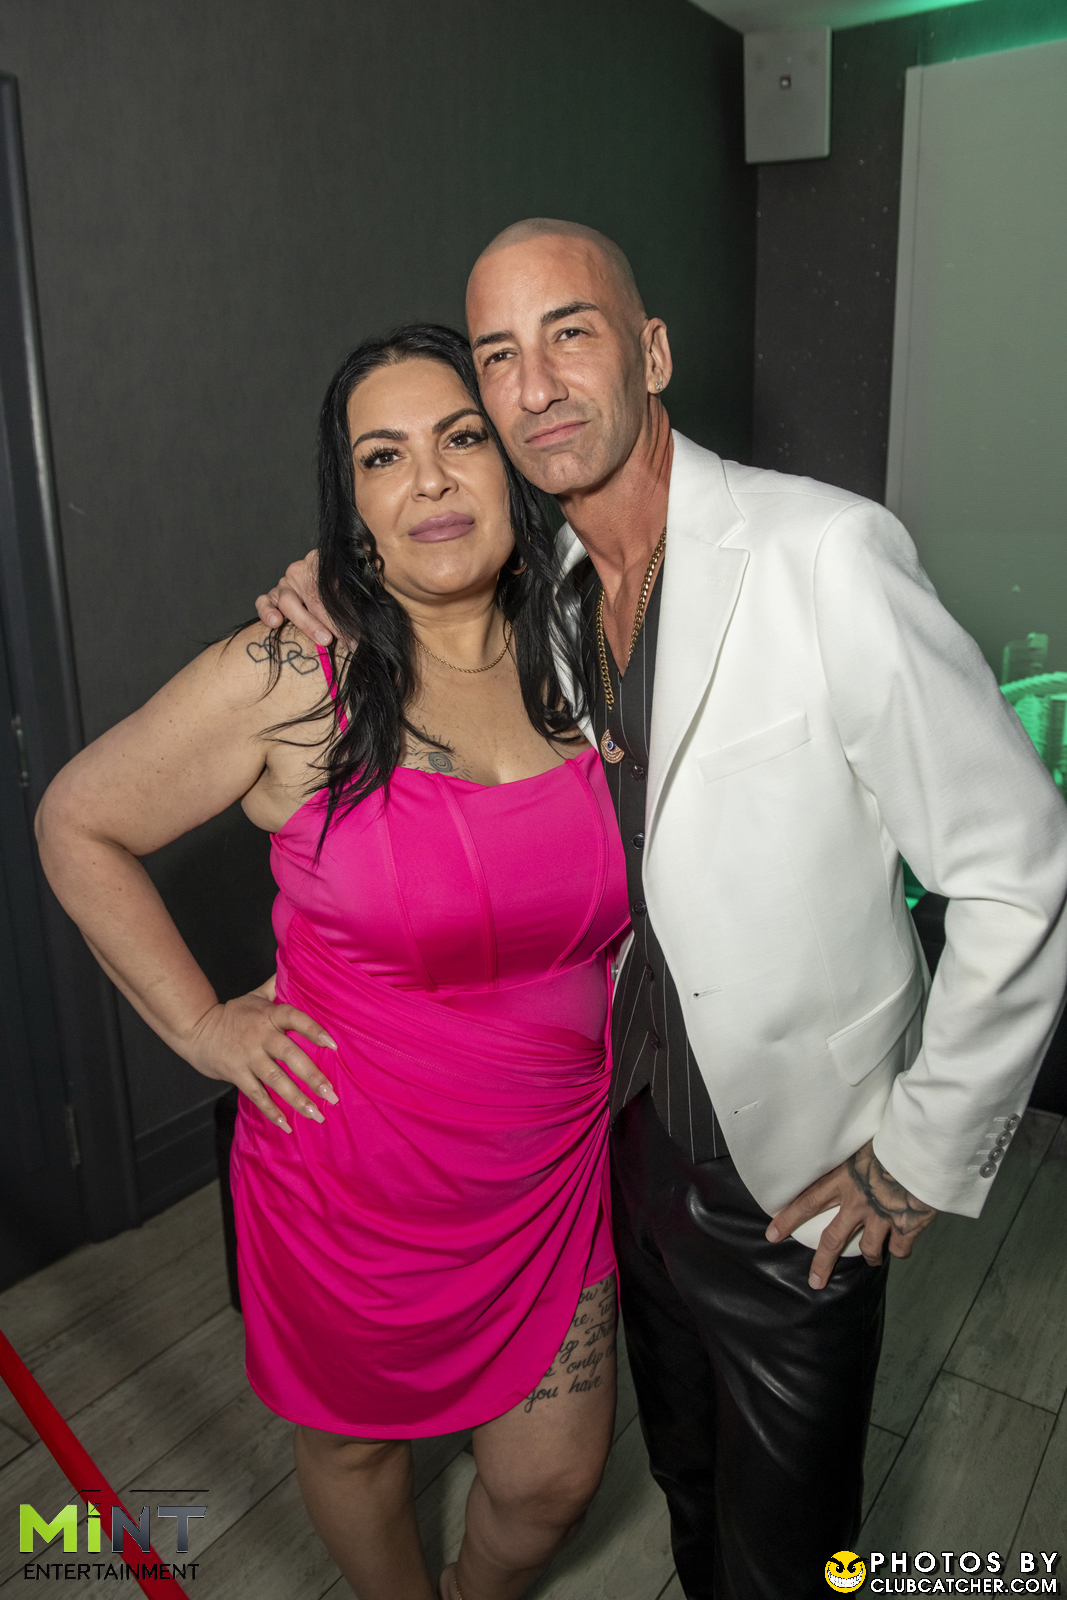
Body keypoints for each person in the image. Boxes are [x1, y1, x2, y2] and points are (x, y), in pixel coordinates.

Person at [259, 219, 1067, 1600]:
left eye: (568, 334)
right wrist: (323, 585)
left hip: (798, 1176)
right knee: (689, 1487)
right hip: (618, 1151)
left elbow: (1018, 866)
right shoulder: (546, 599)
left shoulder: (822, 553)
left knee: (789, 1555)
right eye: (499, 356)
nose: (535, 386)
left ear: (650, 352)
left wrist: (919, 1155)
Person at [36, 322, 632, 1600]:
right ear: (349, 503)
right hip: (351, 1179)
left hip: (548, 1168)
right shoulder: (293, 674)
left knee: (550, 1481)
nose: (430, 479)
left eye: (460, 437)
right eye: (382, 455)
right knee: (355, 1445)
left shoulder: (586, 641)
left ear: (510, 461)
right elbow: (76, 820)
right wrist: (202, 1026)